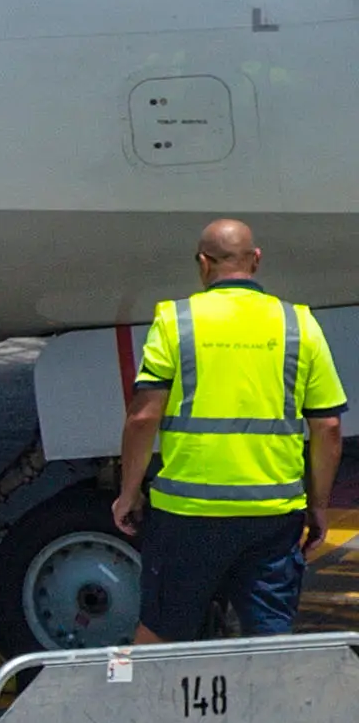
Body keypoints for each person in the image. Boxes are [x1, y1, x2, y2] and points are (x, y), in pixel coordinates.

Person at [110, 219, 345, 643]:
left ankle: (154, 708)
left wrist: (129, 492)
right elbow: (327, 427)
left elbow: (143, 418)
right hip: (272, 514)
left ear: (203, 264)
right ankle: (268, 709)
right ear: (256, 260)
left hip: (188, 514)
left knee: (160, 631)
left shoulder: (176, 321)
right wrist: (319, 504)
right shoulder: (299, 324)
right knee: (271, 636)